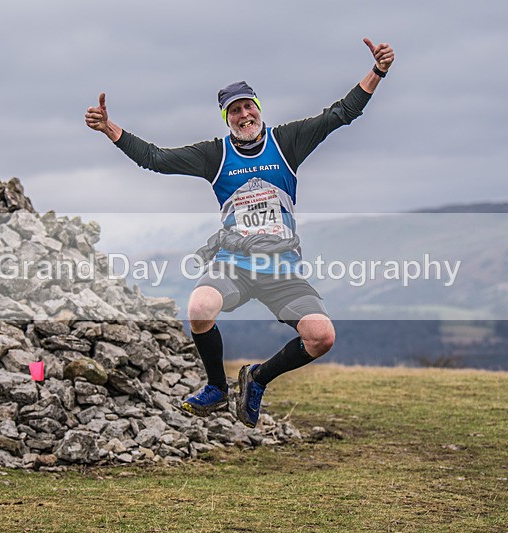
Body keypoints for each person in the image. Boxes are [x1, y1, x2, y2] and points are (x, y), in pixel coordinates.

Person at [85, 38, 394, 428]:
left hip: (281, 269)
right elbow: (155, 159)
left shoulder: (287, 142)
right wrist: (109, 128)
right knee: (199, 308)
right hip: (234, 265)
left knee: (321, 337)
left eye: (249, 106)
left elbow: (342, 113)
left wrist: (378, 71)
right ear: (226, 119)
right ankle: (216, 388)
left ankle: (257, 378)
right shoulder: (215, 155)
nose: (244, 114)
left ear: (258, 108)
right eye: (234, 110)